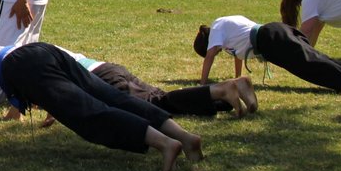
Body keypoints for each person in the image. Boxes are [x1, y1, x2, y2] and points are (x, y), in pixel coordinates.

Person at [0, 44, 205, 171]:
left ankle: (164, 143)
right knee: (111, 97)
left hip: (24, 67)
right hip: (42, 52)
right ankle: (185, 137)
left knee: (89, 115)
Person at [195, 15, 341, 95]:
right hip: (276, 31)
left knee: (308, 65)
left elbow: (210, 55)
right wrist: (237, 78)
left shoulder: (217, 28)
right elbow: (238, 56)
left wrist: (203, 84)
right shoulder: (226, 30)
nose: (217, 52)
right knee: (315, 56)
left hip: (269, 40)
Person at [61, 50, 258, 117]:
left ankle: (221, 89)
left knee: (158, 103)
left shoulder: (35, 57)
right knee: (164, 100)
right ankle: (236, 88)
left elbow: (58, 85)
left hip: (102, 78)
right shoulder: (46, 48)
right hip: (109, 68)